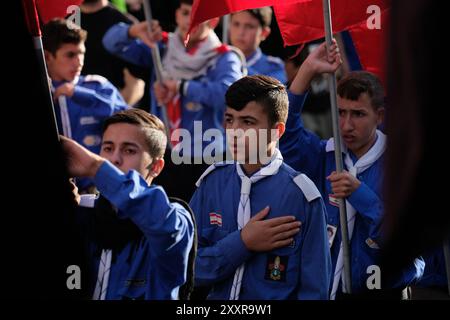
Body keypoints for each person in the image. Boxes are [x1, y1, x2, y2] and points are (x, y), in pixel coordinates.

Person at [280, 40, 424, 299]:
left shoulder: (400, 166)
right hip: (326, 290)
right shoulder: (325, 154)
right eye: (341, 112)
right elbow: (286, 136)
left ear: (379, 116)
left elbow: (411, 254)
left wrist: (361, 195)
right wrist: (307, 71)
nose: (346, 125)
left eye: (358, 114)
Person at [190, 75, 331, 300]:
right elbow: (187, 270)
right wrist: (242, 242)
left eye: (247, 122)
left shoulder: (302, 196)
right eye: (229, 119)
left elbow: (315, 290)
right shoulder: (212, 183)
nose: (234, 131)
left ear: (278, 130)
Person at [61, 108, 194, 300]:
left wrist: (95, 167)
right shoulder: (82, 209)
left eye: (129, 150)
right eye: (108, 148)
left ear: (156, 167)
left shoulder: (175, 217)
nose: (114, 159)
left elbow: (162, 224)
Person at [43, 18, 129, 155]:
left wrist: (79, 94)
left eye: (81, 53)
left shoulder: (99, 86)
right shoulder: (44, 91)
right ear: (47, 57)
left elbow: (129, 120)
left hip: (97, 175)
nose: (79, 62)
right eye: (70, 55)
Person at [80, 0, 146, 106]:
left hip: (115, 112)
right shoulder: (68, 23)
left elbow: (137, 85)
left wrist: (114, 111)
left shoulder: (127, 26)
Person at [229, 8, 287, 83]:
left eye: (249, 26)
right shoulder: (214, 60)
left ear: (264, 33)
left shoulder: (274, 67)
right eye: (236, 24)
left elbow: (271, 91)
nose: (241, 32)